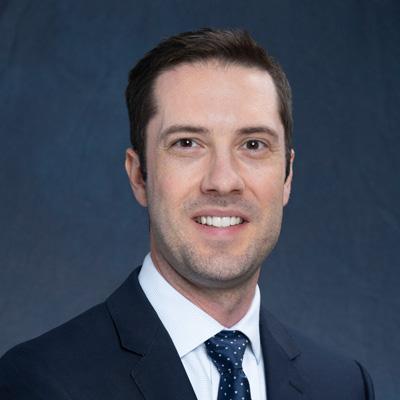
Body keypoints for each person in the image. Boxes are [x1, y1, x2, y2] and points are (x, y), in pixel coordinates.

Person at [0, 28, 374, 400]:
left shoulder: (344, 386)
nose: (223, 181)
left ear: (287, 177)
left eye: (253, 144)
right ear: (139, 176)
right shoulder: (39, 382)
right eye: (187, 143)